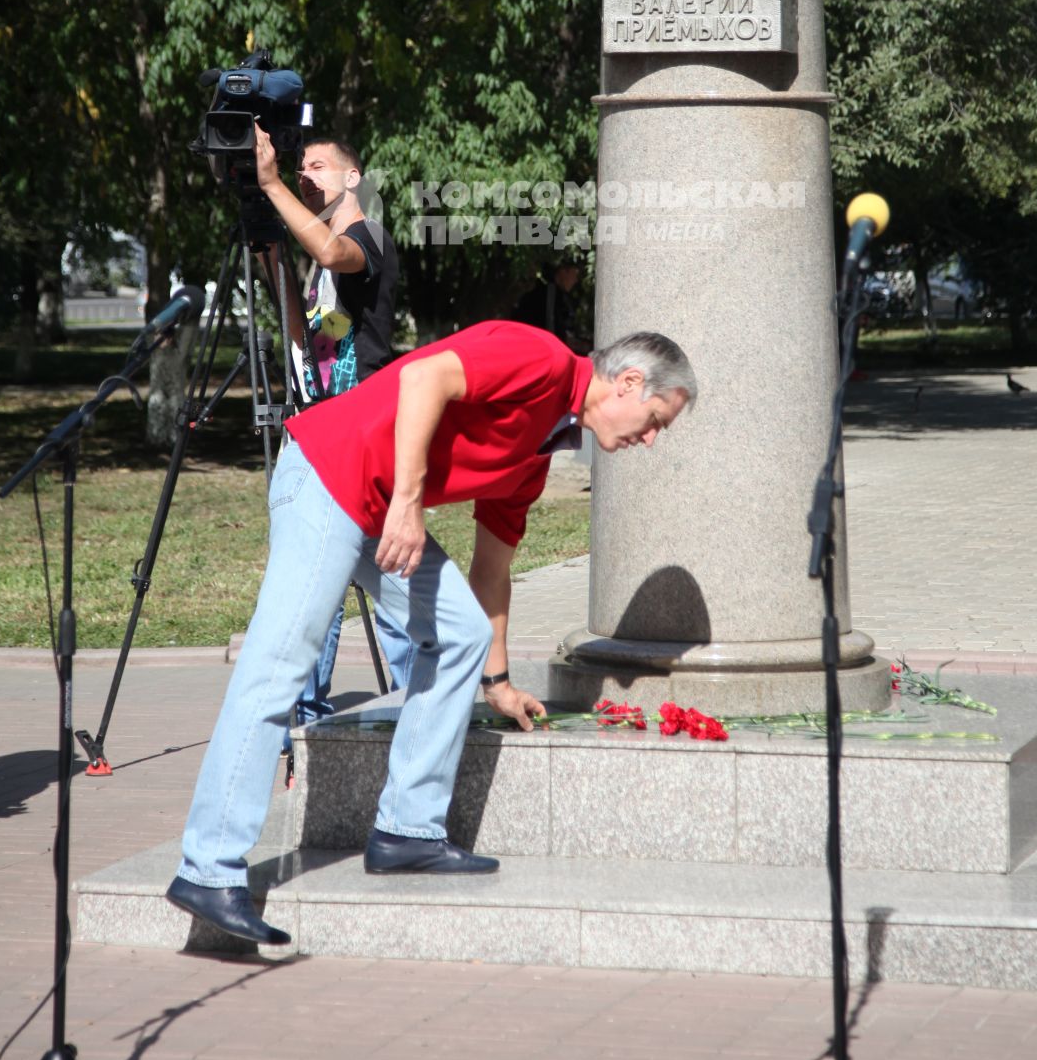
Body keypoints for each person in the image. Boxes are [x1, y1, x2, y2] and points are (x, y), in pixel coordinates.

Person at [167, 321, 696, 944]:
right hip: (329, 474)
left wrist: (497, 681)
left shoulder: (538, 452)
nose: (653, 439)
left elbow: (492, 569)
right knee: (280, 661)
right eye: (657, 418)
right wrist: (410, 504)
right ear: (628, 383)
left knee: (461, 633)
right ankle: (207, 868)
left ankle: (407, 831)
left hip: (379, 509)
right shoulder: (543, 359)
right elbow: (424, 376)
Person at [253, 124, 414, 727]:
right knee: (320, 579)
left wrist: (272, 185)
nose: (305, 174)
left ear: (354, 177)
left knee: (389, 582)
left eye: (318, 166)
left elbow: (330, 249)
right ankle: (309, 719)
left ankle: (417, 705)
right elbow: (309, 336)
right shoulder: (326, 267)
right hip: (325, 428)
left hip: (365, 434)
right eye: (301, 169)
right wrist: (277, 269)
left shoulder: (364, 234)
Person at [513, 260, 588, 351]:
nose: (576, 280)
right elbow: (551, 326)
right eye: (575, 273)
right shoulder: (550, 293)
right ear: (563, 271)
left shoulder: (555, 294)